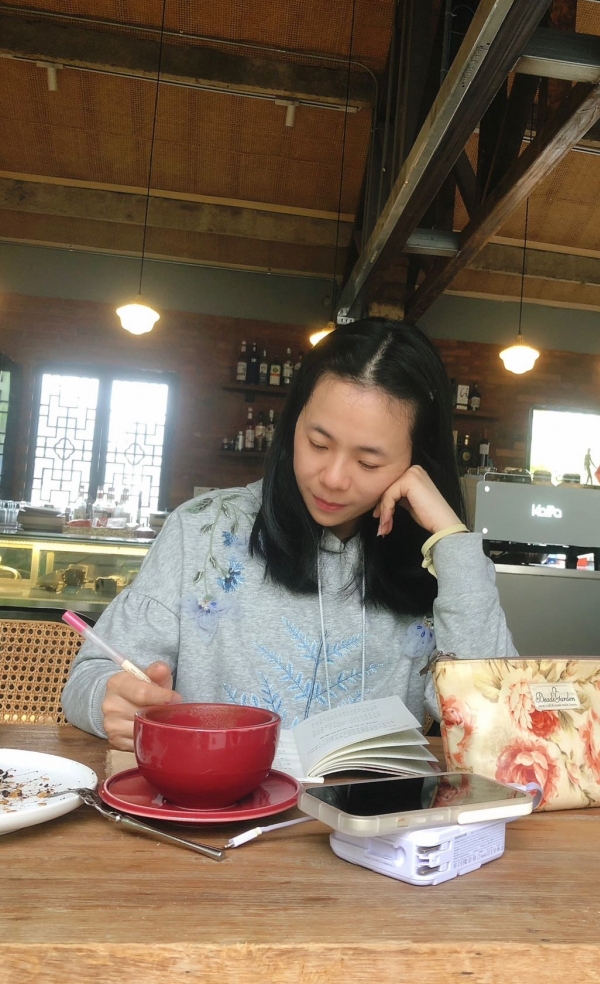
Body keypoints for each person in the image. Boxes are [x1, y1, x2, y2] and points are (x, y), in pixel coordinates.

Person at [62, 318, 516, 750]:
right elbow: (88, 680)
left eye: (368, 462)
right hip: (216, 801)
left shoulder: (439, 564)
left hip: (370, 807)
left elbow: (498, 726)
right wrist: (110, 700)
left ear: (417, 460)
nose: (333, 478)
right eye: (318, 443)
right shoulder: (202, 529)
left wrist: (451, 542)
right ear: (293, 423)